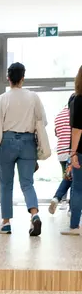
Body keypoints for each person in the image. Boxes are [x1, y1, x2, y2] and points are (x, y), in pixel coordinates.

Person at [0, 62, 47, 237]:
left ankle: (6, 223)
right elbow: (42, 122)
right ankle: (35, 215)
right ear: (23, 78)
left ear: (8, 78)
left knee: (6, 184)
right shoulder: (33, 97)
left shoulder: (1, 99)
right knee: (27, 183)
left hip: (6, 142)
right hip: (28, 142)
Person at [63, 72, 82, 236]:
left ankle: (75, 226)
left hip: (81, 151)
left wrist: (73, 152)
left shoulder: (78, 100)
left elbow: (77, 129)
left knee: (77, 188)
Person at [49, 97, 74, 216]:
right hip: (72, 151)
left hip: (61, 151)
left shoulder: (59, 115)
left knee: (67, 176)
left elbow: (57, 133)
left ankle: (60, 200)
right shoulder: (75, 114)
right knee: (75, 180)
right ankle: (72, 207)